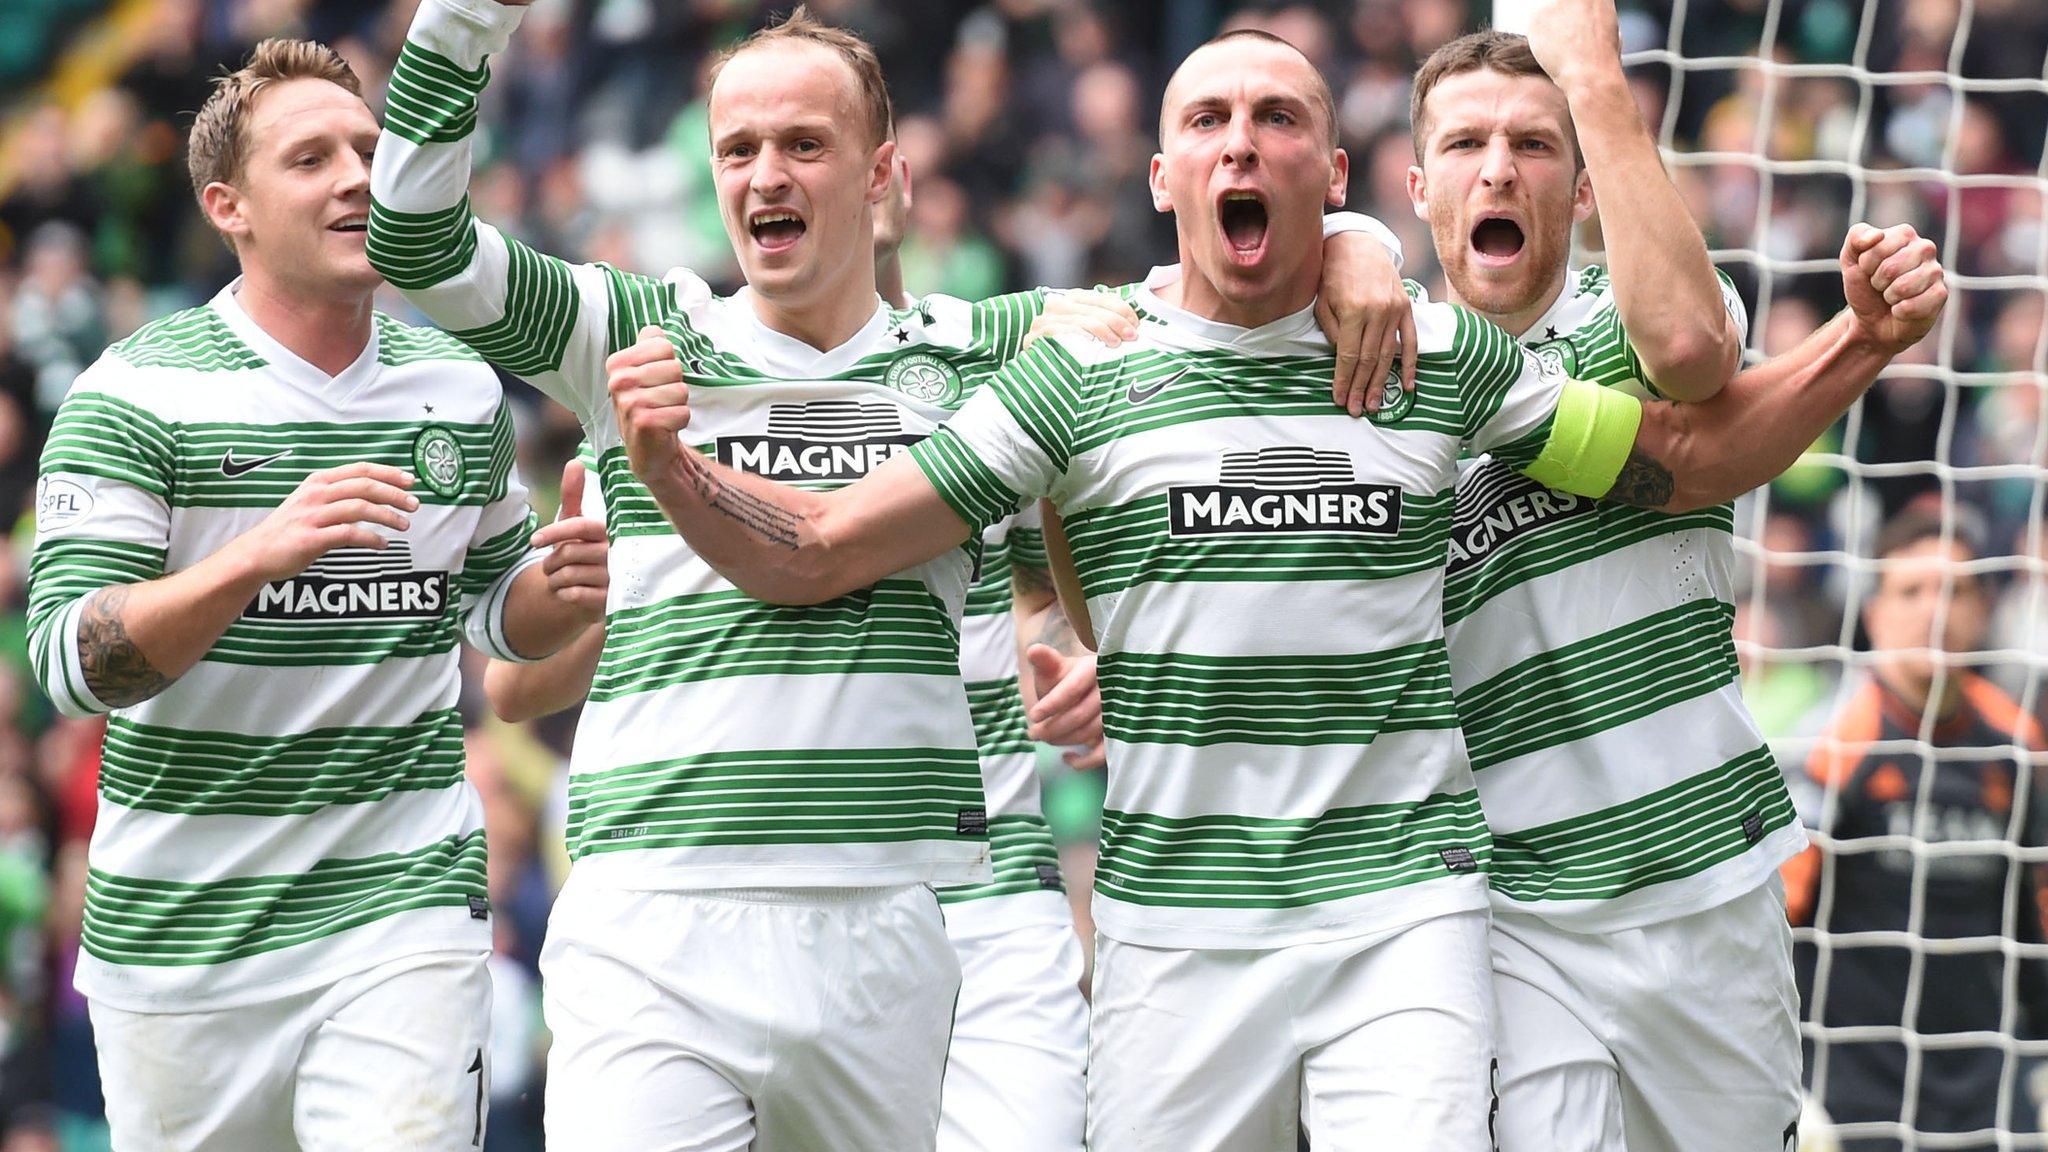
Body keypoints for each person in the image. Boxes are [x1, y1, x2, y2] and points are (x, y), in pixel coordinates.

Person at [605, 27, 1939, 1149]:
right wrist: (668, 465)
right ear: (1159, 171)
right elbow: (827, 546)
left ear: (1337, 170)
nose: (1242, 142)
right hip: (1173, 929)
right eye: (1210, 119)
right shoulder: (1078, 379)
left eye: (1279, 117)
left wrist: (1859, 341)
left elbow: (1688, 453)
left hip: (1412, 915)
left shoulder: (1439, 358)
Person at [368, 2, 1413, 1147]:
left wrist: (1358, 239)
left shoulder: (996, 347)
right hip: (649, 912)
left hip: (890, 920)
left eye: (803, 146)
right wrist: (467, 17)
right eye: (738, 150)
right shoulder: (635, 330)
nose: (766, 174)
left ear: (878, 179)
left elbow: (1224, 284)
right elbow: (415, 236)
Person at [24, 39, 601, 1151]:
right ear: (225, 204)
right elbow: (66, 664)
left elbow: (493, 614)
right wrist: (251, 558)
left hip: (402, 916)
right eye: (312, 157)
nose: (355, 176)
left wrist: (564, 584)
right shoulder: (135, 391)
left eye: (370, 150)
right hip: (185, 943)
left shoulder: (457, 387)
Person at [1400, 6, 1942, 1148]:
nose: (1497, 168)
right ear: (1414, 189)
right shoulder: (1381, 371)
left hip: (1708, 877)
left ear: (1583, 185)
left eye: (1532, 145)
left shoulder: (1624, 317)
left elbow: (1694, 359)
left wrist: (1592, 82)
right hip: (1512, 907)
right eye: (1462, 146)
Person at [1783, 505, 2048, 1150]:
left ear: (1983, 610)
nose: (1935, 610)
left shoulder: (2017, 746)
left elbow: (2036, 920)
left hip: (1989, 1088)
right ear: (1872, 613)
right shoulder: (1833, 741)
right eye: (1911, 591)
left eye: (1955, 590)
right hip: (1851, 1094)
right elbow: (1777, 919)